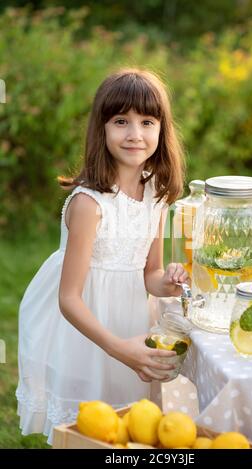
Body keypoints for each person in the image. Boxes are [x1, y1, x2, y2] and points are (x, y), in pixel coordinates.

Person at [16, 68, 189, 445]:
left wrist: (170, 282)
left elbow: (151, 273)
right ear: (102, 128)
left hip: (129, 317)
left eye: (147, 121)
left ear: (162, 130)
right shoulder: (89, 205)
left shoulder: (156, 194)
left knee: (129, 423)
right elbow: (68, 299)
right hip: (85, 327)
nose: (135, 134)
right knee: (92, 424)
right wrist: (119, 348)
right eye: (121, 121)